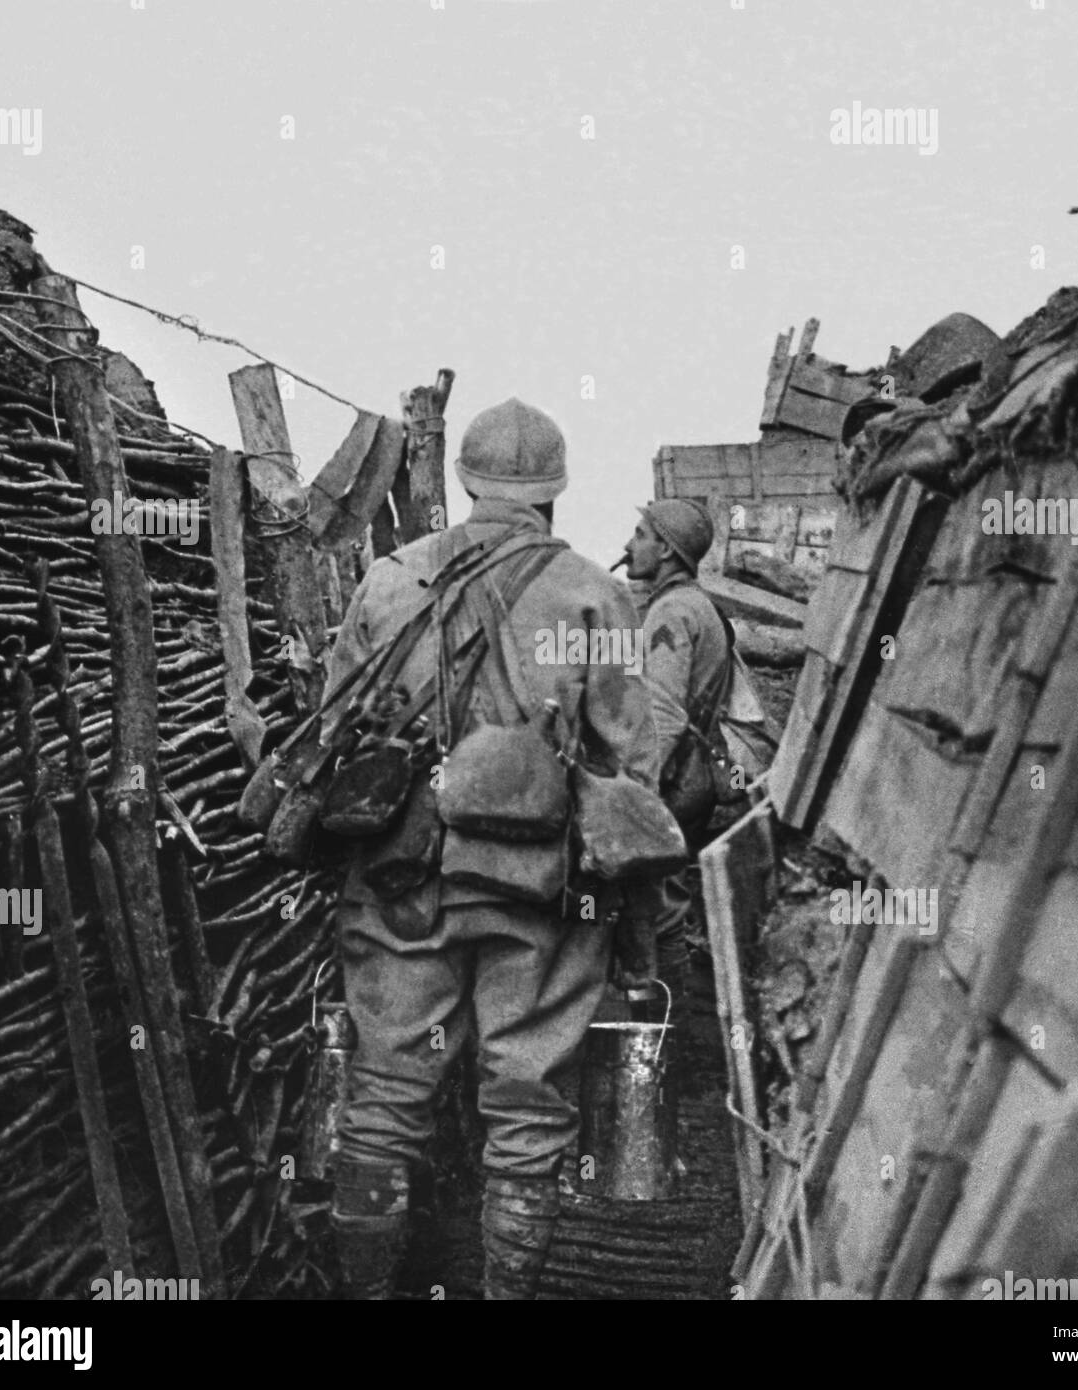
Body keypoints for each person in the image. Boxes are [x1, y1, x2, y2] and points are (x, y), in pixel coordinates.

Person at [320, 398, 659, 1301]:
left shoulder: (390, 580)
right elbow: (631, 756)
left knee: (385, 1101)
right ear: (554, 491)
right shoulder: (596, 591)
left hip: (403, 883)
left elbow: (336, 730)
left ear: (464, 482)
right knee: (526, 1110)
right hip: (538, 894)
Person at [619, 499, 734, 996]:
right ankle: (665, 1019)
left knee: (653, 907)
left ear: (665, 548)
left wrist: (635, 796)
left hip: (674, 778)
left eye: (640, 534)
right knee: (661, 898)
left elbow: (664, 717)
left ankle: (666, 1026)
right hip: (692, 774)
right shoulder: (696, 604)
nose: (628, 545)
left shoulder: (671, 612)